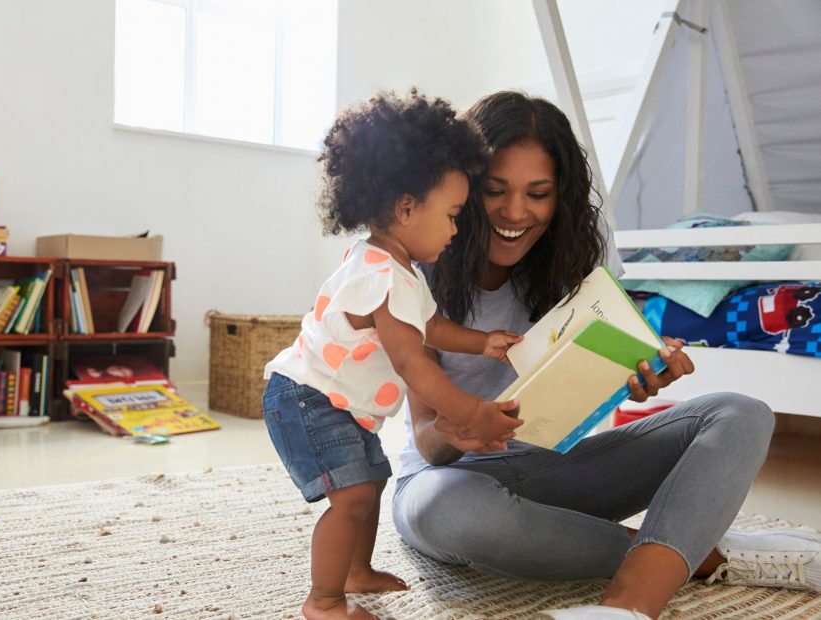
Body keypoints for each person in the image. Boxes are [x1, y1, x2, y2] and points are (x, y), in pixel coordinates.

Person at [391, 91, 821, 620]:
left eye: (539, 193)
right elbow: (427, 443)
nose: (515, 212)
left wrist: (638, 376)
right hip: (449, 478)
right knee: (443, 511)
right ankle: (697, 553)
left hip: (558, 468)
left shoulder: (578, 255)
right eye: (494, 191)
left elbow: (588, 389)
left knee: (741, 413)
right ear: (463, 188)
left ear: (561, 196)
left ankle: (626, 607)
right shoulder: (417, 269)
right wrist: (456, 430)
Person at [262, 90, 526, 620]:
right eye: (452, 215)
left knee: (373, 481)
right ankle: (324, 600)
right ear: (406, 208)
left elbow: (429, 328)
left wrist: (482, 342)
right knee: (353, 496)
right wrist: (468, 410)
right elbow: (412, 362)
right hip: (309, 399)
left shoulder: (397, 267)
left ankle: (356, 572)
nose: (457, 230)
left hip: (337, 400)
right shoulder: (383, 275)